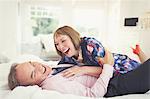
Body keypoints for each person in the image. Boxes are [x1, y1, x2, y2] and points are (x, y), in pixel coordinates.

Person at [8, 52, 150, 97]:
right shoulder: (53, 84)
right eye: (33, 74)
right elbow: (94, 94)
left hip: (111, 75)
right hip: (115, 84)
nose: (38, 67)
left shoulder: (54, 69)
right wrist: (108, 66)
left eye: (33, 63)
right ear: (33, 84)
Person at [53, 25, 148, 78]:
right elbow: (55, 70)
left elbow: (108, 68)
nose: (60, 47)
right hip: (115, 71)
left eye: (63, 40)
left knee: (146, 70)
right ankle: (139, 53)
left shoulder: (90, 45)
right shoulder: (67, 57)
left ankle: (139, 53)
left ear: (72, 37)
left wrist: (83, 70)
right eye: (56, 44)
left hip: (120, 64)